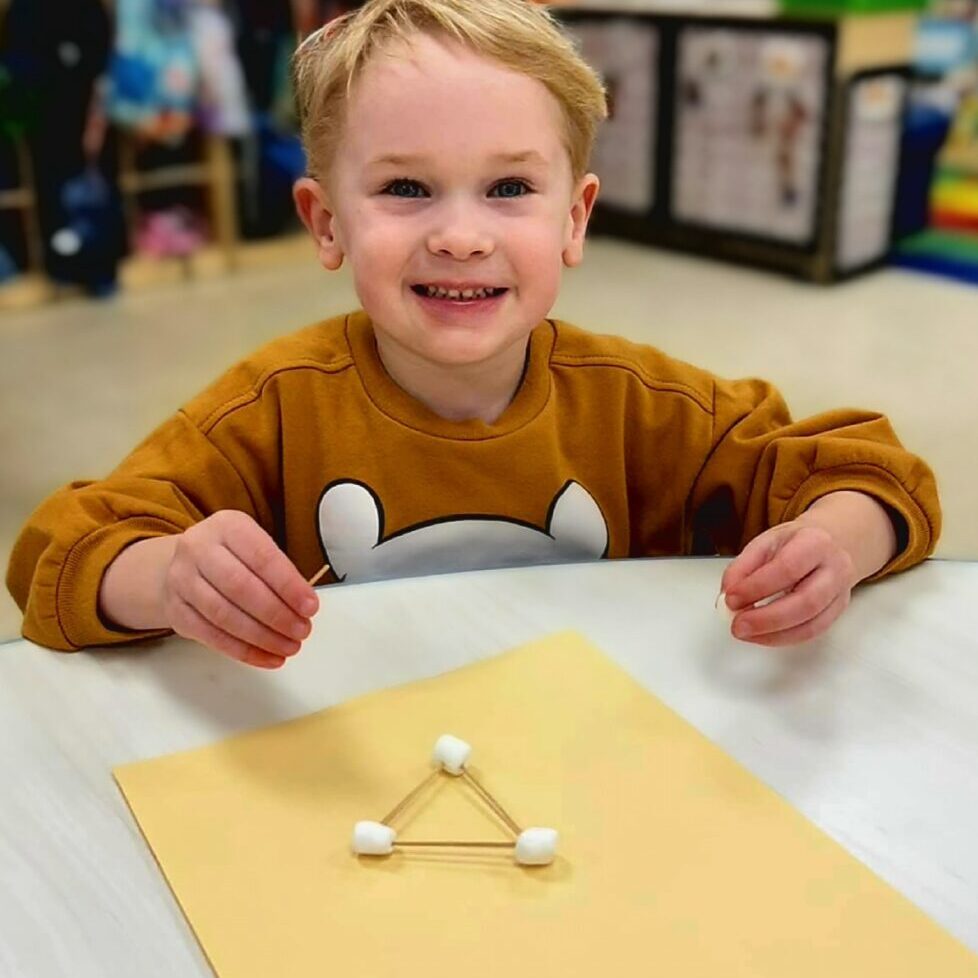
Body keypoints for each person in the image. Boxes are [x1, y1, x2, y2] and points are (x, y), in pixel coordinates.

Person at [6, 0, 940, 669]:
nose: (461, 234)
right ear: (326, 223)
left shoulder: (643, 407)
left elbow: (864, 470)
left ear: (573, 220)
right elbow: (56, 554)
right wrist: (167, 576)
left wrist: (835, 545)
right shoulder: (272, 409)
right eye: (406, 189)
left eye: (508, 188)